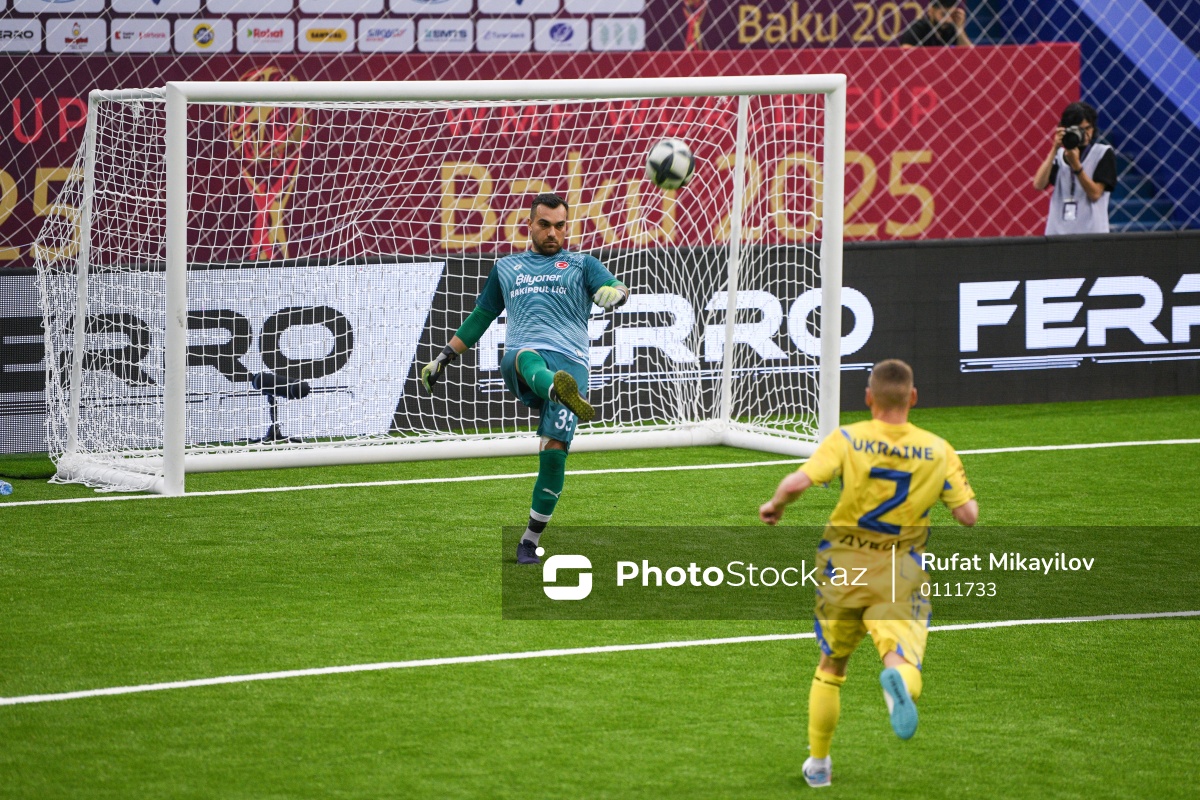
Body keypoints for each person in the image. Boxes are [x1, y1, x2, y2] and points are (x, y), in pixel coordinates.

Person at [758, 359, 978, 789]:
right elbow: (968, 515)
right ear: (913, 398)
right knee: (901, 659)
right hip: (900, 572)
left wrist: (775, 505)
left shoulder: (848, 438)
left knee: (832, 666)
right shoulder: (938, 449)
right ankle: (899, 685)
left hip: (843, 568)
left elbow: (798, 482)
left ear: (868, 397)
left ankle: (819, 765)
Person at [420, 193, 629, 566]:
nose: (553, 233)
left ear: (566, 227)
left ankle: (529, 542)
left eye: (560, 226)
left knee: (554, 452)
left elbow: (615, 288)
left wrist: (615, 294)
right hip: (524, 362)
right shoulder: (506, 267)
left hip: (573, 366)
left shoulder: (582, 264)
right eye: (544, 225)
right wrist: (444, 356)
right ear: (529, 224)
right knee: (524, 356)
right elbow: (481, 316)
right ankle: (555, 389)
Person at [1032, 101, 1117, 235]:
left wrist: (1077, 166)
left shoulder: (1102, 153)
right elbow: (1038, 184)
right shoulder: (1060, 155)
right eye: (1079, 130)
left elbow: (1095, 194)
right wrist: (1054, 148)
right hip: (1058, 233)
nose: (1084, 134)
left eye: (1088, 128)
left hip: (1092, 234)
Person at [899, 1, 973, 47]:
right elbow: (906, 55)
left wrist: (960, 29)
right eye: (943, 14)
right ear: (931, 11)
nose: (948, 20)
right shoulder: (918, 29)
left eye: (951, 15)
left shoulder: (951, 29)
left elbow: (970, 55)